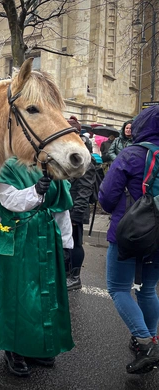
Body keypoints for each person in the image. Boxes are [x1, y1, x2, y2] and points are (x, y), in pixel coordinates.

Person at [0, 157, 74, 377]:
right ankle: (14, 350)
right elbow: (8, 200)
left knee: (44, 296)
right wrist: (35, 191)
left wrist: (66, 242)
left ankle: (35, 347)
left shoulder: (52, 165)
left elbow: (61, 207)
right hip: (14, 237)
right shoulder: (7, 165)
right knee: (16, 297)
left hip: (45, 236)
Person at [98, 106, 159, 374]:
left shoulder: (132, 154)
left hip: (130, 232)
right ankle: (150, 337)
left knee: (119, 288)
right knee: (147, 289)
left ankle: (145, 343)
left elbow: (107, 197)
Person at [66, 119, 98, 290]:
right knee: (66, 243)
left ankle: (75, 277)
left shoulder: (85, 158)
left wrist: (76, 215)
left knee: (75, 243)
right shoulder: (67, 154)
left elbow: (85, 189)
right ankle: (65, 273)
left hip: (76, 208)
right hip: (65, 207)